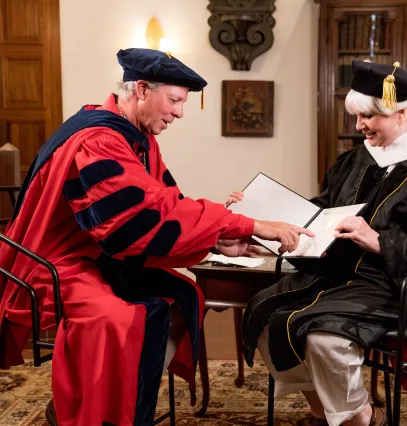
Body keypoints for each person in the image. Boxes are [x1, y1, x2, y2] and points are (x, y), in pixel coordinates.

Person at [0, 48, 313, 426]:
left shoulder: (137, 137)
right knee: (114, 319)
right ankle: (85, 415)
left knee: (184, 295)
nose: (180, 112)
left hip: (99, 254)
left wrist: (218, 239)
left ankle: (130, 400)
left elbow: (167, 204)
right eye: (176, 100)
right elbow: (136, 222)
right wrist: (248, 224)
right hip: (56, 260)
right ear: (143, 89)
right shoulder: (97, 140)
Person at [230, 61, 407, 426]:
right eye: (356, 117)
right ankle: (331, 413)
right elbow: (323, 212)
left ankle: (357, 418)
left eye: (369, 117)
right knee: (262, 315)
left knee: (325, 337)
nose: (359, 127)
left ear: (402, 113)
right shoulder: (357, 158)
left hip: (399, 281)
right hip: (339, 273)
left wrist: (378, 240)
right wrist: (262, 224)